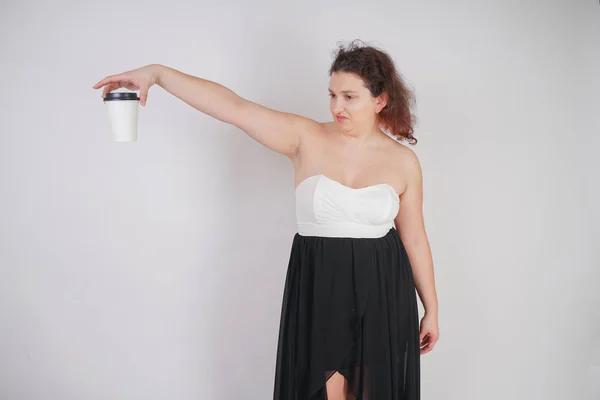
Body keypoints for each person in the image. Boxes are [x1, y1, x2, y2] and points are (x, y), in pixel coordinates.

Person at [93, 39, 439, 400]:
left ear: (380, 100)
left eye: (349, 97)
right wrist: (156, 74)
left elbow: (414, 237)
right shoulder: (304, 137)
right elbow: (232, 107)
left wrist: (431, 308)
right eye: (332, 94)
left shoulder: (404, 161)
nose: (337, 106)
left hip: (383, 289)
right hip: (321, 286)